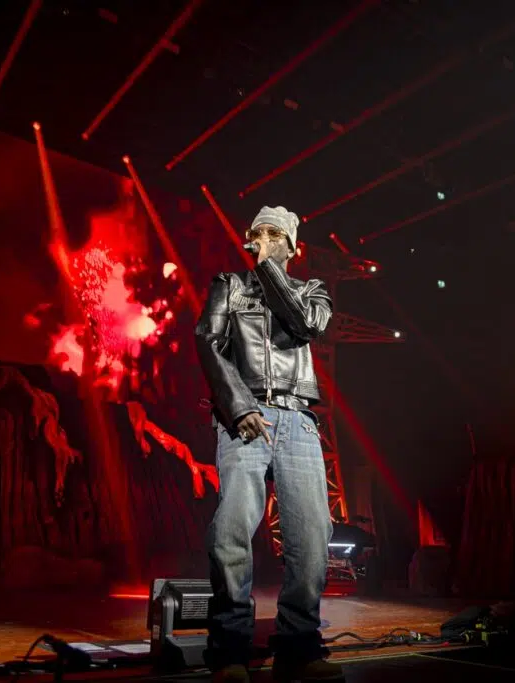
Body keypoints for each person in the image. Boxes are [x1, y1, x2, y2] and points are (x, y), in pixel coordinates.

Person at [194, 206, 341, 682]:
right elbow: (208, 342)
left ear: (292, 245)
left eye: (275, 233)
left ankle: (299, 648)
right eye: (258, 232)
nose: (265, 238)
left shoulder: (311, 290)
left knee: (312, 537)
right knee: (231, 534)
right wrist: (239, 407)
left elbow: (306, 326)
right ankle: (229, 653)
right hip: (245, 418)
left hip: (298, 420)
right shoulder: (228, 285)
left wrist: (270, 270)